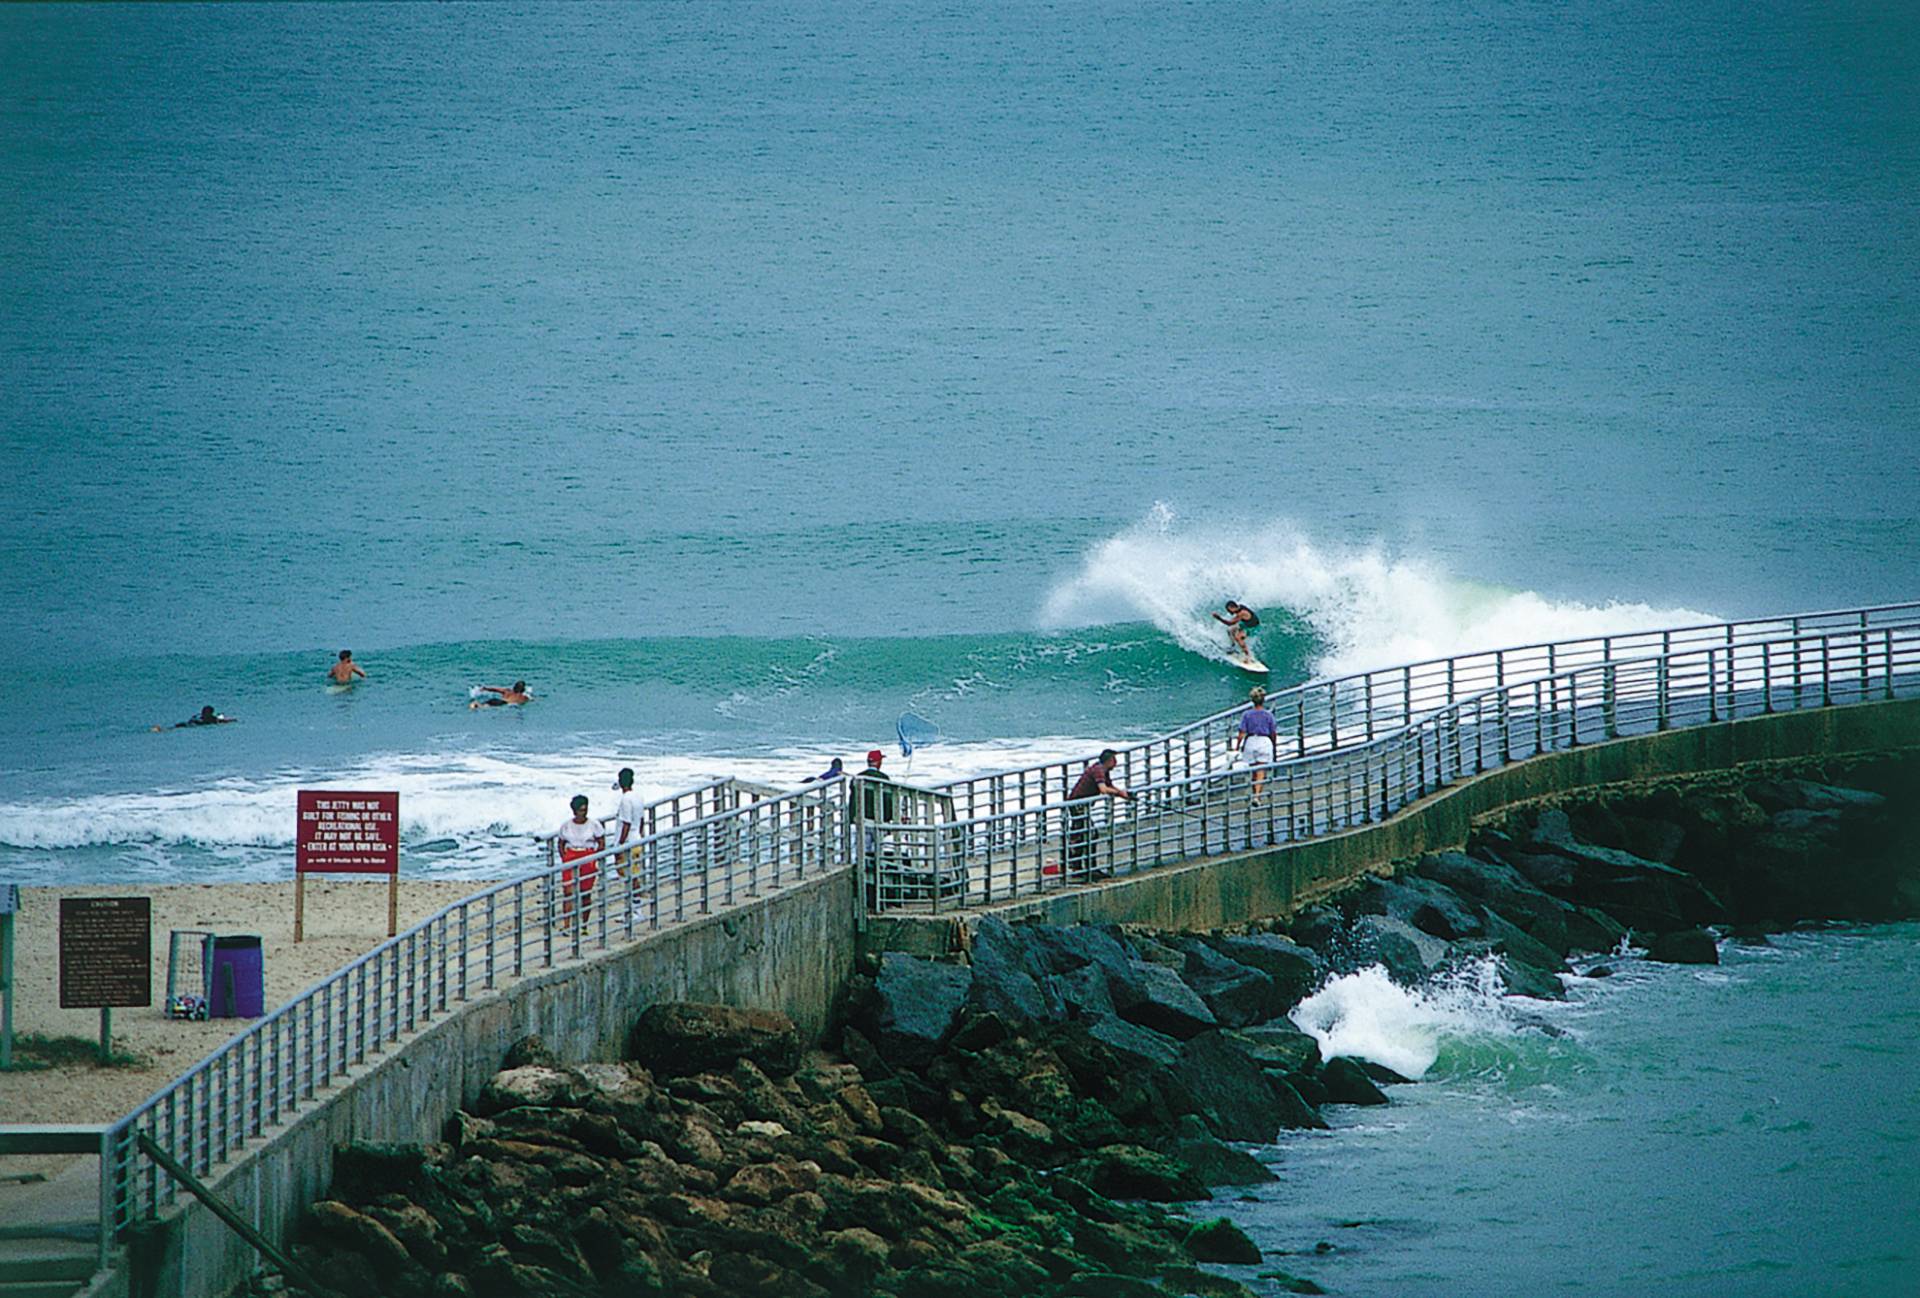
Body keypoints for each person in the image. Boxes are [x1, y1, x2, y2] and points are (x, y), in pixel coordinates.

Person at [1064, 749, 1134, 881]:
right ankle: (1084, 868)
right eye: (1114, 760)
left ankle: (1080, 867)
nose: (1116, 763)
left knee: (1082, 834)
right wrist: (1120, 794)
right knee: (1087, 834)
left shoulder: (1102, 770)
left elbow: (1109, 785)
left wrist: (1123, 794)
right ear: (1109, 760)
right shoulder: (1098, 770)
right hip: (1078, 805)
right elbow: (1103, 789)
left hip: (1082, 805)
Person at [554, 794, 604, 927]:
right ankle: (566, 924)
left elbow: (601, 842)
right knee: (568, 891)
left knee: (585, 893)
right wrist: (564, 857)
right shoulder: (566, 825)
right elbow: (561, 843)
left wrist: (595, 857)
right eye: (581, 810)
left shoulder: (594, 824)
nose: (584, 812)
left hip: (587, 855)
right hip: (571, 855)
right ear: (575, 811)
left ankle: (584, 924)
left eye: (585, 809)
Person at [1235, 686, 1280, 800]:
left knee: (1253, 769)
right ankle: (1257, 795)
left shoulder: (1246, 715)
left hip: (1250, 741)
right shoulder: (1268, 715)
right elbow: (1273, 732)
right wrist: (1274, 744)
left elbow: (1241, 733)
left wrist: (1237, 746)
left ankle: (1254, 791)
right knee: (1261, 770)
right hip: (1264, 741)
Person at [612, 768, 648, 907]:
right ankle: (634, 908)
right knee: (633, 875)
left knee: (628, 877)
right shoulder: (638, 796)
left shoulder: (625, 800)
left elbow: (626, 823)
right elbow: (641, 820)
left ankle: (636, 909)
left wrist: (620, 844)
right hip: (637, 839)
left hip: (628, 843)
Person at [155, 705, 235, 731]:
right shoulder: (212, 718)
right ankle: (162, 730)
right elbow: (223, 721)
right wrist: (233, 720)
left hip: (189, 723)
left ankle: (161, 729)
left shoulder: (198, 716)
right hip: (195, 725)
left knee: (177, 727)